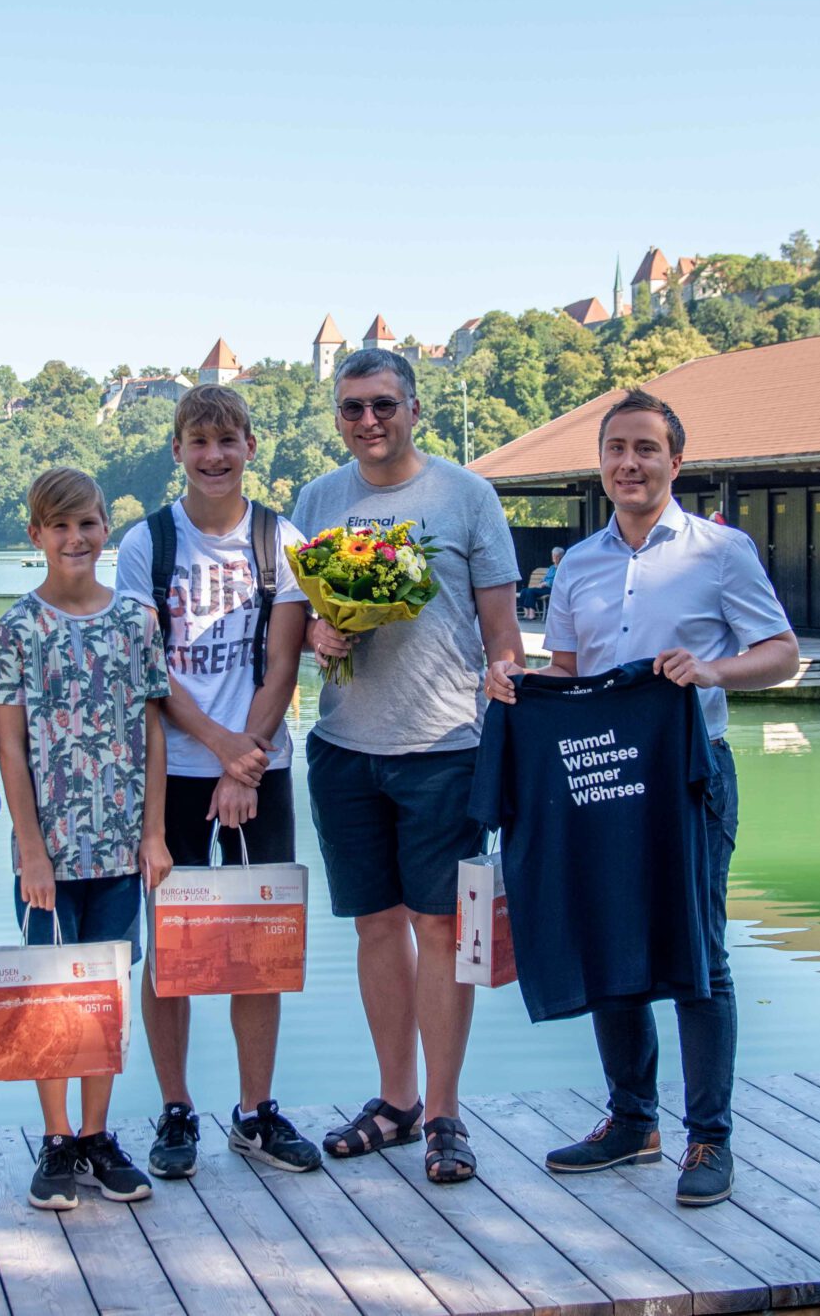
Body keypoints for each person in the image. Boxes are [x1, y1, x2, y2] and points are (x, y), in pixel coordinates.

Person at [489, 387, 799, 1207]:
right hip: (601, 774)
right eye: (617, 449)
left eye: (646, 449)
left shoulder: (720, 551)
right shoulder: (578, 564)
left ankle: (709, 1137)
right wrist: (521, 685)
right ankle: (633, 1119)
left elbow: (781, 652)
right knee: (610, 938)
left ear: (675, 461)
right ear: (601, 463)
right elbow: (567, 673)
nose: (630, 463)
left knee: (701, 950)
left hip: (690, 771)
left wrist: (711, 669)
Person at [293, 348, 523, 1185]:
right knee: (376, 926)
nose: (368, 421)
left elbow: (503, 633)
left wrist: (507, 698)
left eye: (382, 404)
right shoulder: (318, 499)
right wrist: (320, 632)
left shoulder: (467, 496)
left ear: (413, 408)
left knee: (443, 931)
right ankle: (395, 1102)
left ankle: (446, 1109)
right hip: (346, 745)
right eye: (352, 408)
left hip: (447, 748)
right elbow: (298, 622)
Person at [113, 384, 320, 1180]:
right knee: (172, 950)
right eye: (198, 441)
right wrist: (220, 749)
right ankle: (175, 1108)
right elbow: (150, 669)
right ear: (177, 451)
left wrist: (250, 758)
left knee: (256, 950)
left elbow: (283, 662)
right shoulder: (146, 544)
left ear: (250, 447)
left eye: (227, 440)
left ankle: (255, 1111)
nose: (213, 456)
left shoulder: (281, 539)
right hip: (174, 768)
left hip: (261, 765)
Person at [0, 467, 173, 1211]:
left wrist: (154, 831)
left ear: (105, 529)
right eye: (58, 526)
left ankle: (96, 1136)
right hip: (50, 855)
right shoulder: (19, 628)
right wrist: (28, 848)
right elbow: (9, 745)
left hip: (123, 847)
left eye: (87, 523)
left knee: (106, 996)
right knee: (51, 995)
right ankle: (56, 1140)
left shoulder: (134, 621)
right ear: (35, 536)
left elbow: (152, 730)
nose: (74, 538)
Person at [517, 547, 565, 619]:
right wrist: (541, 583)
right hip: (544, 587)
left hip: (552, 588)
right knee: (524, 591)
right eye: (553, 555)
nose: (553, 557)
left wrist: (546, 583)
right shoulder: (552, 567)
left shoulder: (562, 568)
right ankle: (526, 613)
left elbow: (559, 580)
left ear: (560, 557)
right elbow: (545, 578)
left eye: (555, 556)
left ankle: (532, 614)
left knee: (531, 591)